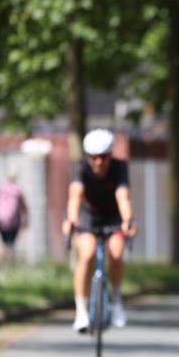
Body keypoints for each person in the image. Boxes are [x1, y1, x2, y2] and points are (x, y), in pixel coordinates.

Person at [62, 129, 137, 333]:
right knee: (86, 256)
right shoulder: (80, 168)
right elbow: (75, 195)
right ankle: (81, 312)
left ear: (111, 155)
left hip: (113, 216)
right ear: (87, 156)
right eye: (93, 157)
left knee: (116, 253)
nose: (98, 162)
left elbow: (123, 196)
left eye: (103, 157)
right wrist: (71, 219)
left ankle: (117, 301)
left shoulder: (120, 168)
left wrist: (128, 220)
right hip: (88, 216)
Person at [0, 168, 28, 268]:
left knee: (3, 244)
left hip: (1, 220)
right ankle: (11, 267)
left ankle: (1, 266)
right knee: (11, 245)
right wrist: (25, 222)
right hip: (13, 221)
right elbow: (24, 208)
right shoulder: (18, 190)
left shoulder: (0, 189)